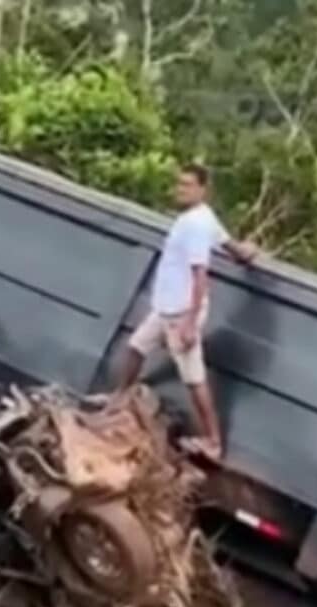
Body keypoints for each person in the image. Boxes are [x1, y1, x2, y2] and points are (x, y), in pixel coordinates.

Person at [116, 164, 257, 461]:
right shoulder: (204, 218)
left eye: (187, 185)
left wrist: (191, 324)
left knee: (194, 378)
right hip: (165, 307)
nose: (180, 190)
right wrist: (246, 252)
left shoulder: (195, 225)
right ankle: (119, 399)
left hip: (181, 311)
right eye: (179, 184)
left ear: (203, 190)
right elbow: (230, 246)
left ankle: (213, 441)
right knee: (136, 346)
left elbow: (200, 275)